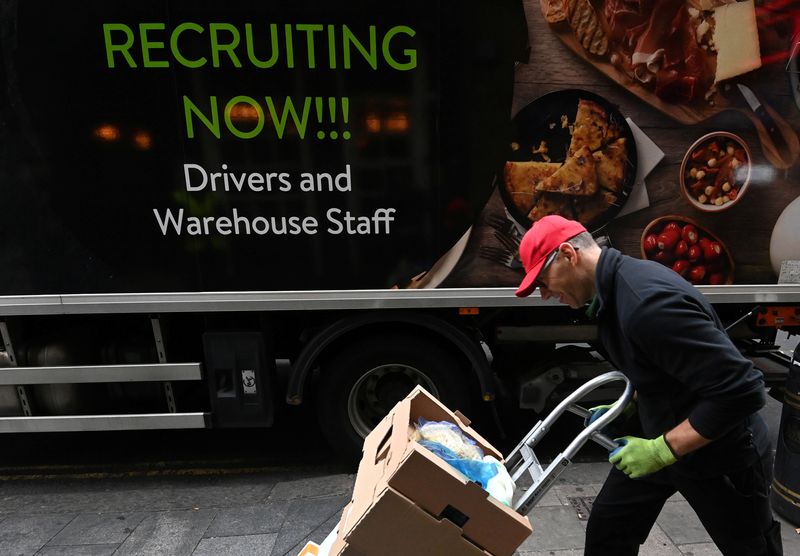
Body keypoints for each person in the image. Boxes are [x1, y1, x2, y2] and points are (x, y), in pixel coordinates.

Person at [515, 215, 782, 555]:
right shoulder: (611, 294)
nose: (544, 294)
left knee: (750, 548)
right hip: (658, 429)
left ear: (569, 254)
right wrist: (627, 405)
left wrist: (660, 451)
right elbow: (659, 363)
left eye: (543, 281)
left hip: (718, 451)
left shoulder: (647, 304)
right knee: (609, 528)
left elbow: (742, 389)